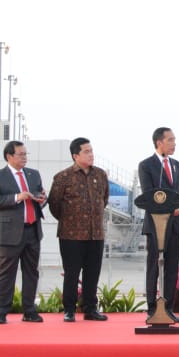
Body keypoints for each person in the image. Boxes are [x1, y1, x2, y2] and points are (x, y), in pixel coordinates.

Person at [48, 137, 110, 322]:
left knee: (92, 273)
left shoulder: (100, 175)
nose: (91, 155)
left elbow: (104, 199)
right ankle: (69, 309)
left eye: (91, 151)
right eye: (86, 152)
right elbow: (54, 204)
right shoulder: (63, 177)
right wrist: (70, 220)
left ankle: (90, 309)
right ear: (75, 155)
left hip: (95, 234)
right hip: (71, 235)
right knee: (72, 273)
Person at [0, 141, 47, 324]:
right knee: (7, 273)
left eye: (25, 154)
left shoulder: (33, 174)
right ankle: (1, 312)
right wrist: (17, 197)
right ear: (9, 156)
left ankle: (29, 310)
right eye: (20, 154)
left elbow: (41, 198)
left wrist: (42, 199)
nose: (24, 157)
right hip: (10, 232)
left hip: (32, 229)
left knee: (31, 272)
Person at [138, 126, 179, 323]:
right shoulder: (146, 165)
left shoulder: (177, 165)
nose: (174, 143)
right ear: (159, 142)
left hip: (175, 224)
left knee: (172, 268)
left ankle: (168, 308)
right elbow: (149, 194)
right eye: (171, 140)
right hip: (157, 225)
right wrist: (168, 209)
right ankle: (152, 309)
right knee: (154, 266)